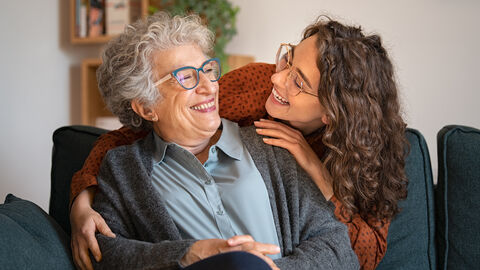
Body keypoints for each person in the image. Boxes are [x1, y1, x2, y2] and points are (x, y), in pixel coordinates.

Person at [70, 14, 408, 270]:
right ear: (145, 106)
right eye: (187, 76)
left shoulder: (279, 151)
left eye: (298, 82)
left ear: (331, 114)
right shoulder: (256, 91)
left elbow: (348, 250)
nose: (209, 86)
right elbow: (106, 250)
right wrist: (81, 200)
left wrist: (318, 176)